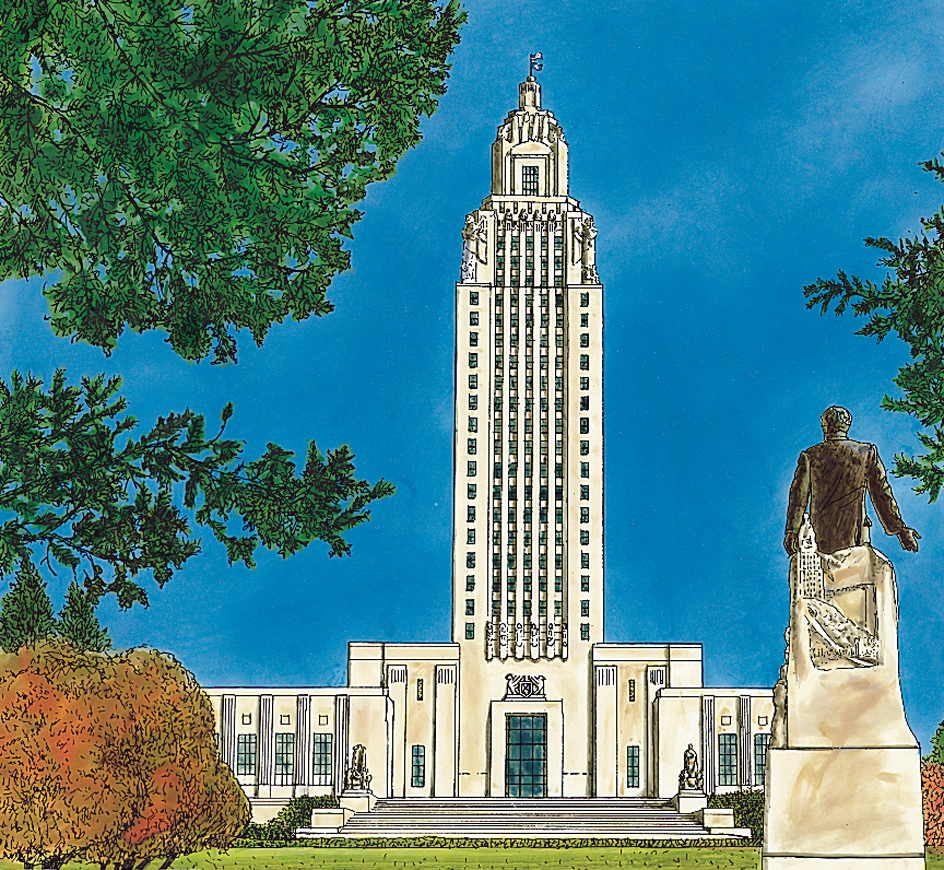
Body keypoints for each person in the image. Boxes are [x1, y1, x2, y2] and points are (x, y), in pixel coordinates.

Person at [784, 406, 920, 555]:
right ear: (847, 426)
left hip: (820, 538)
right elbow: (882, 494)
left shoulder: (810, 456)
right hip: (857, 537)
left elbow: (798, 498)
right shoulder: (866, 452)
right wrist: (900, 529)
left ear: (825, 426)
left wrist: (792, 530)